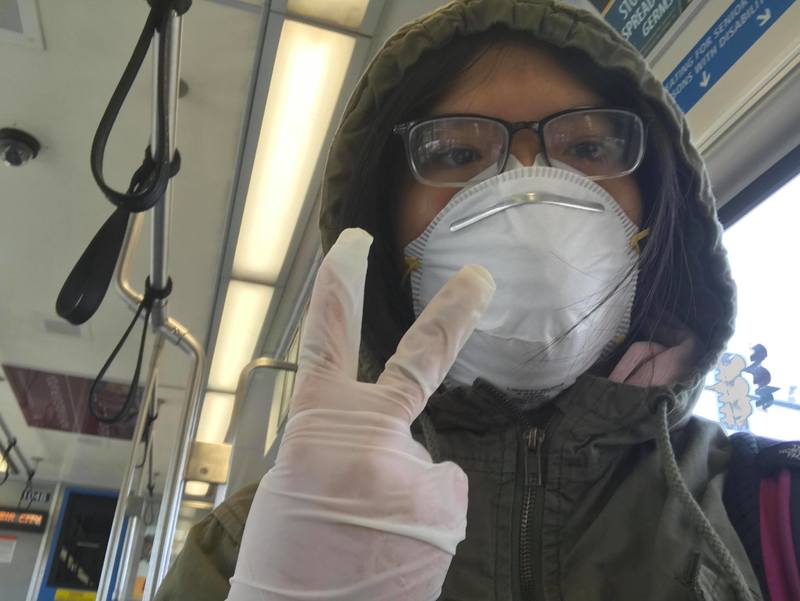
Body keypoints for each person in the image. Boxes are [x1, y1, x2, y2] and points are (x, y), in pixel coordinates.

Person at [154, 1, 791, 599]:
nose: (526, 195)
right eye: (458, 153)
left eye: (589, 149)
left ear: (654, 208)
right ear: (386, 226)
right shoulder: (251, 545)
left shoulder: (770, 514)